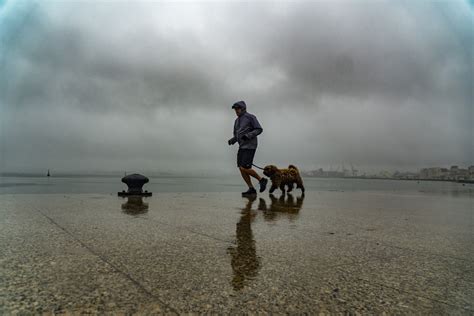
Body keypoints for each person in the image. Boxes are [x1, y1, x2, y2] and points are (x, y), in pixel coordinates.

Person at [228, 101, 268, 196]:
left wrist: (248, 135)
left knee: (244, 167)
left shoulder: (250, 117)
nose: (236, 111)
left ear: (243, 108)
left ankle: (262, 180)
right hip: (242, 146)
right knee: (241, 169)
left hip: (250, 146)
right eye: (235, 109)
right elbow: (238, 135)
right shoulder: (236, 121)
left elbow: (259, 129)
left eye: (238, 109)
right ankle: (251, 189)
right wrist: (233, 140)